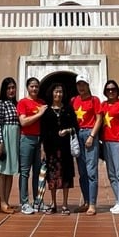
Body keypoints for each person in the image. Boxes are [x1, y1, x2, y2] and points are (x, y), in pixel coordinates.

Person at [39, 82, 76, 214]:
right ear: (52, 93)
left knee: (66, 175)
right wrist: (42, 149)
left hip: (65, 148)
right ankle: (53, 203)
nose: (58, 94)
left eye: (60, 92)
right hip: (51, 149)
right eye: (56, 91)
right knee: (52, 176)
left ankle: (65, 204)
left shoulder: (68, 109)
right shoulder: (47, 111)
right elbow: (43, 131)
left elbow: (75, 126)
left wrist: (67, 131)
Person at [71, 74, 103, 215]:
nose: (81, 87)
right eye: (79, 84)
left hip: (89, 134)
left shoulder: (94, 100)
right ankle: (85, 201)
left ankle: (92, 204)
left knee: (91, 171)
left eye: (83, 84)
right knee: (82, 171)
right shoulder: (74, 100)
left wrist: (92, 136)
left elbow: (99, 119)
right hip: (78, 135)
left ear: (88, 85)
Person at [17, 77, 47, 214]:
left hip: (39, 139)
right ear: (27, 87)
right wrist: (39, 113)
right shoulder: (23, 103)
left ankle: (38, 201)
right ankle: (24, 202)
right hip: (26, 139)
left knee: (38, 172)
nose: (34, 89)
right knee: (24, 172)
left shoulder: (42, 103)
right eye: (32, 86)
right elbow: (23, 122)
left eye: (36, 86)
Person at [100, 79, 119, 214]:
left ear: (117, 90)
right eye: (108, 89)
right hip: (105, 142)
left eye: (113, 89)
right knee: (111, 174)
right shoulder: (103, 105)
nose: (111, 91)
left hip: (118, 142)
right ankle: (118, 200)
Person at [0, 77, 20, 213]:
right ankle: (2, 202)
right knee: (1, 171)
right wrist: (0, 143)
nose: (11, 90)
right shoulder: (0, 104)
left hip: (14, 139)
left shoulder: (16, 104)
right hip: (5, 137)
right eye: (8, 88)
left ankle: (6, 202)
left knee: (9, 172)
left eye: (13, 87)